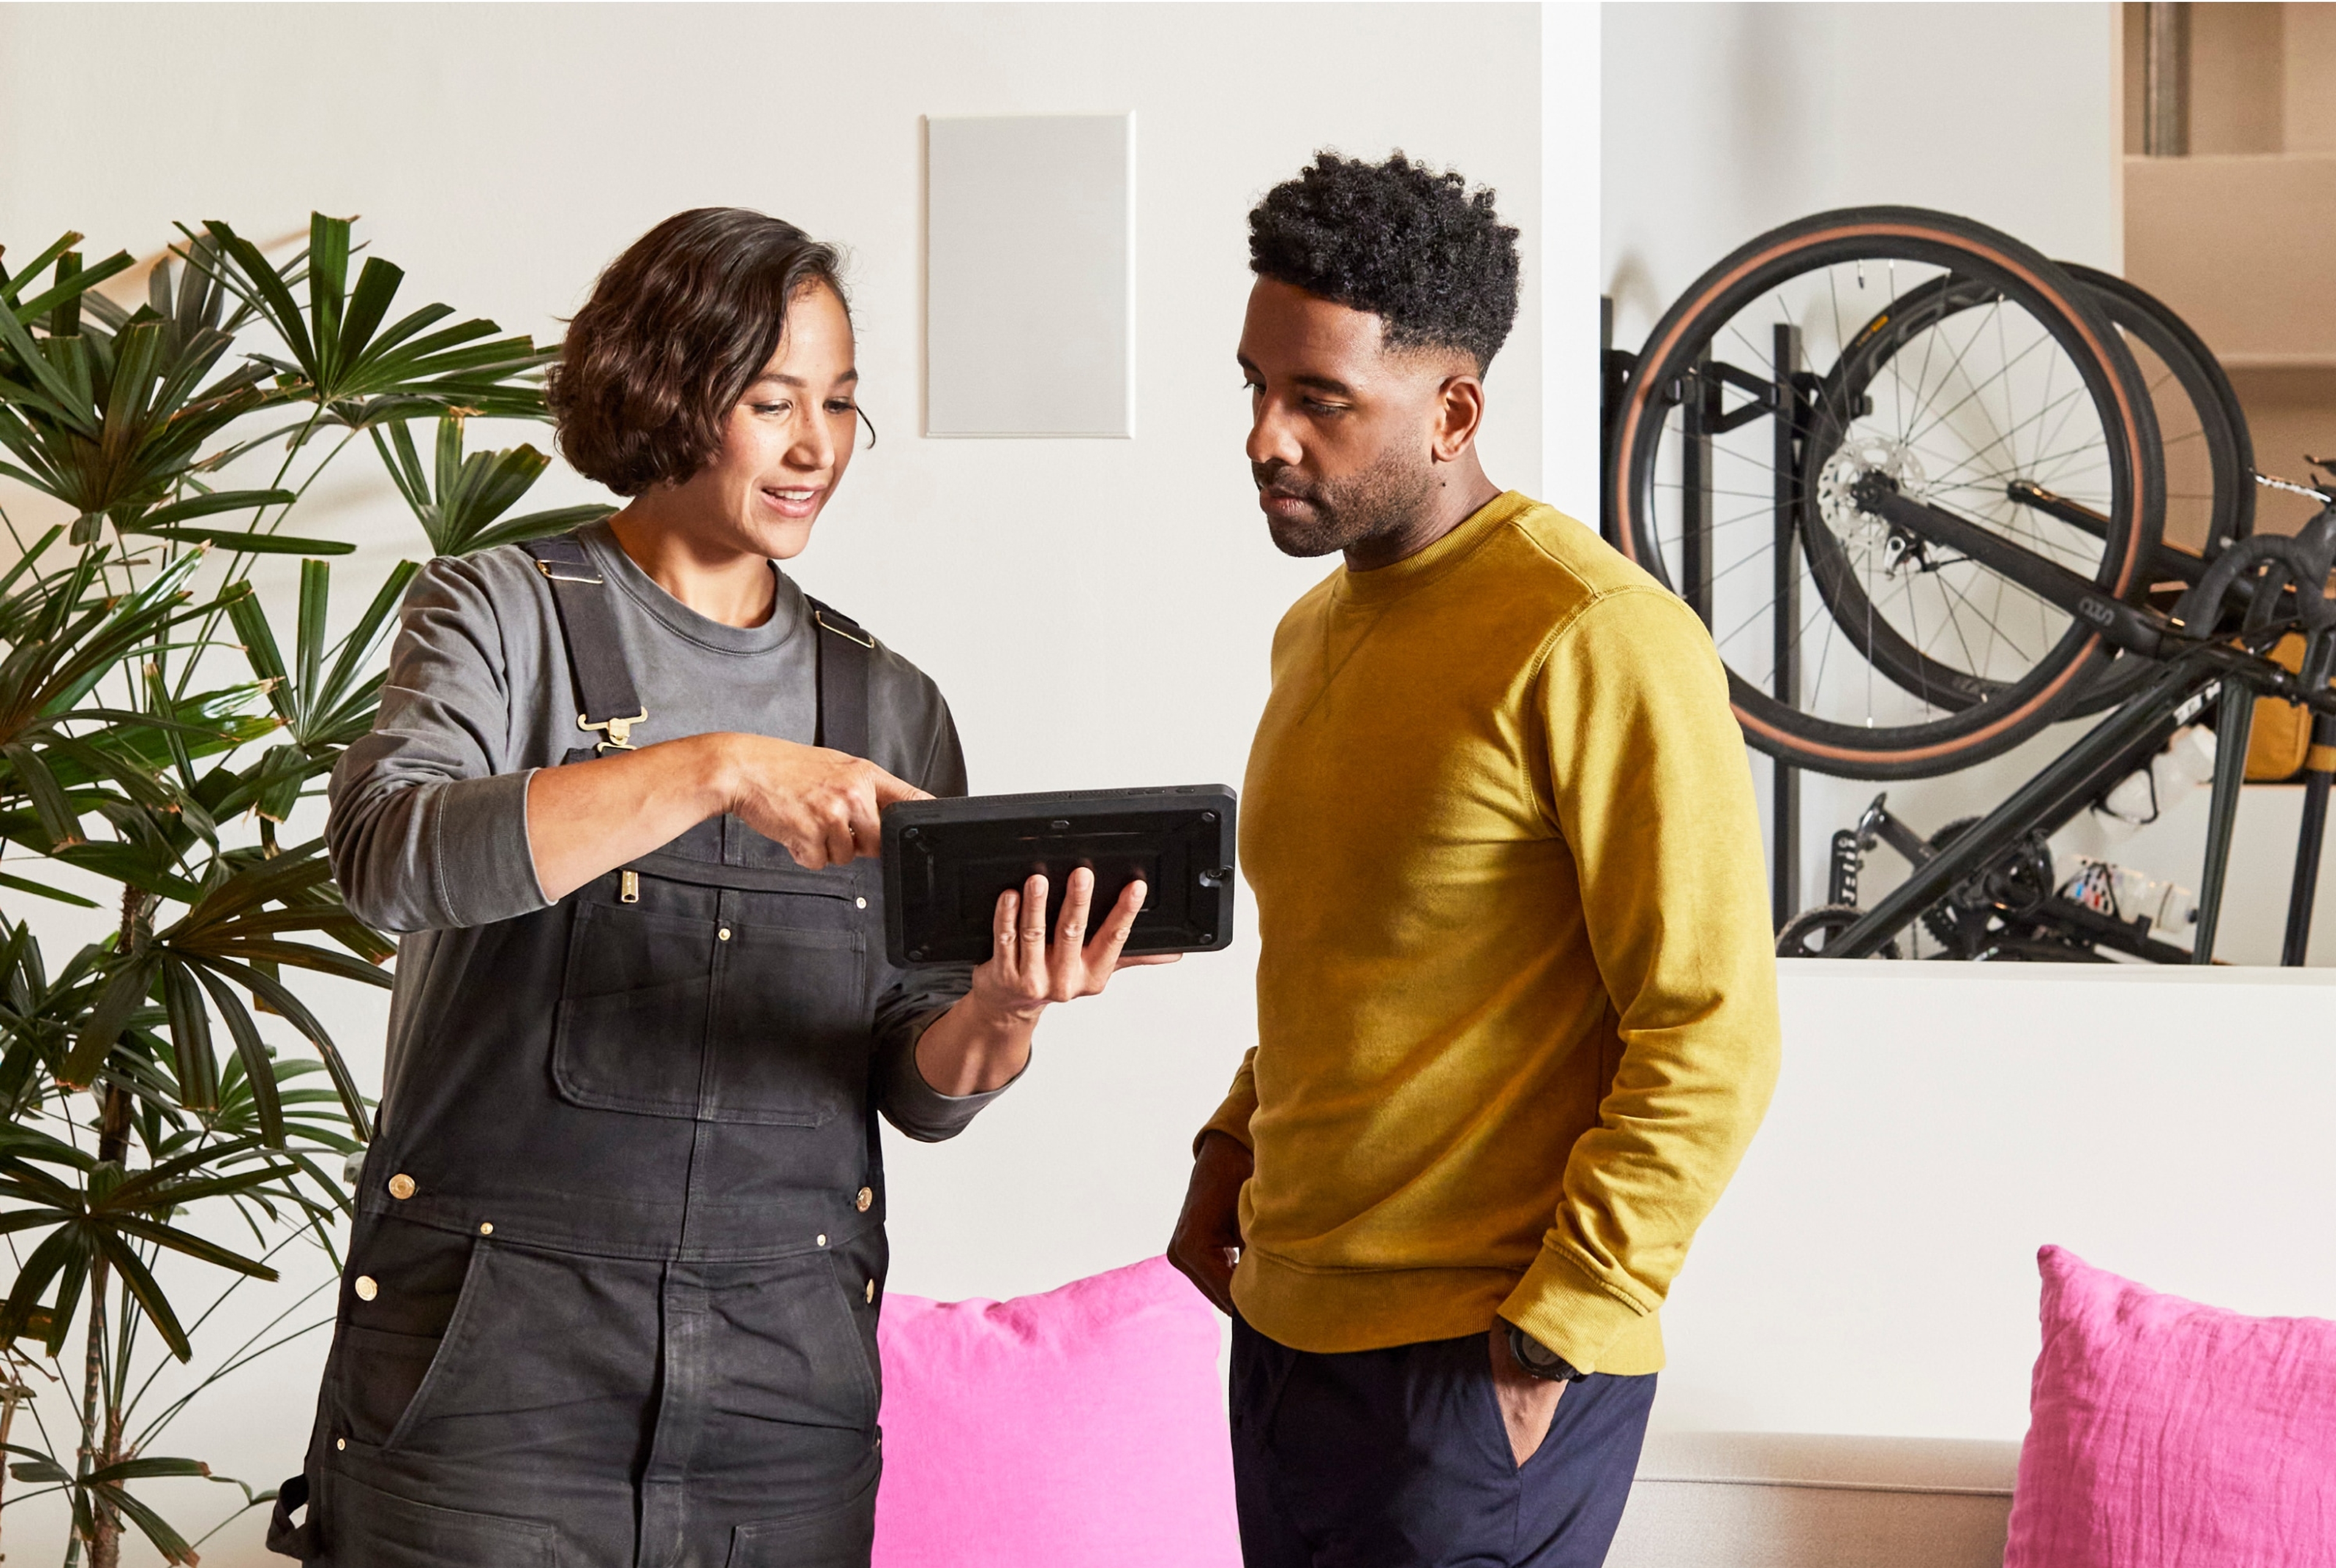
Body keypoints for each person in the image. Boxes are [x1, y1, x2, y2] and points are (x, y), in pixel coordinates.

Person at [272, 208, 1166, 1568]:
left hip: (779, 1395)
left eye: (843, 406)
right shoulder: (501, 613)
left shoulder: (891, 703)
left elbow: (918, 1088)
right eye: (773, 401)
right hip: (491, 1386)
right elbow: (388, 857)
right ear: (664, 389)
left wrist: (1005, 1003)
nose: (818, 446)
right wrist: (718, 769)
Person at [1167, 152, 1781, 1567]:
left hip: (1477, 1361)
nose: (1266, 435)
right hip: (1287, 1329)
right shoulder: (1313, 634)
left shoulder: (1594, 634)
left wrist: (1552, 1334)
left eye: (1319, 399)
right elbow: (1349, 957)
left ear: (1453, 411)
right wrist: (1231, 1148)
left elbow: (1709, 1030)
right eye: (1256, 384)